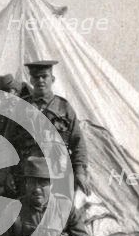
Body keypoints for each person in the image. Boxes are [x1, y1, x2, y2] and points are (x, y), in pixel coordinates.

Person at [8, 60, 89, 194]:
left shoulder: (64, 107)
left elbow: (78, 142)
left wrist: (80, 172)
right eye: (36, 77)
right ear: (31, 80)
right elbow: (8, 143)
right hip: (28, 175)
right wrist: (7, 173)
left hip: (58, 174)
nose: (40, 80)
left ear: (52, 79)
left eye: (44, 76)